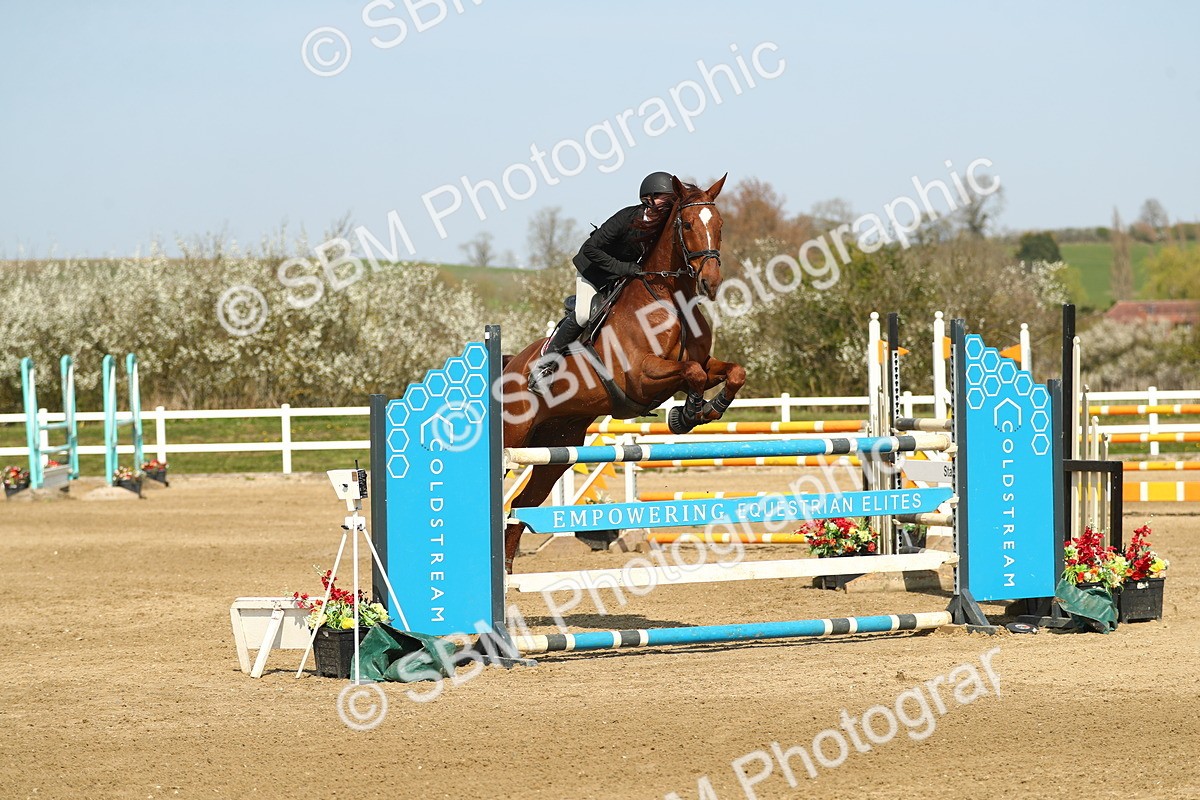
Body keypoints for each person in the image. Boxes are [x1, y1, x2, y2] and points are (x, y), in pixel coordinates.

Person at [528, 171, 677, 394]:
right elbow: (589, 249)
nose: (670, 204)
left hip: (623, 277)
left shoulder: (662, 228)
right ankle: (544, 366)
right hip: (594, 272)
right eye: (666, 198)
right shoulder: (626, 218)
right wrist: (624, 268)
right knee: (583, 315)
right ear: (649, 199)